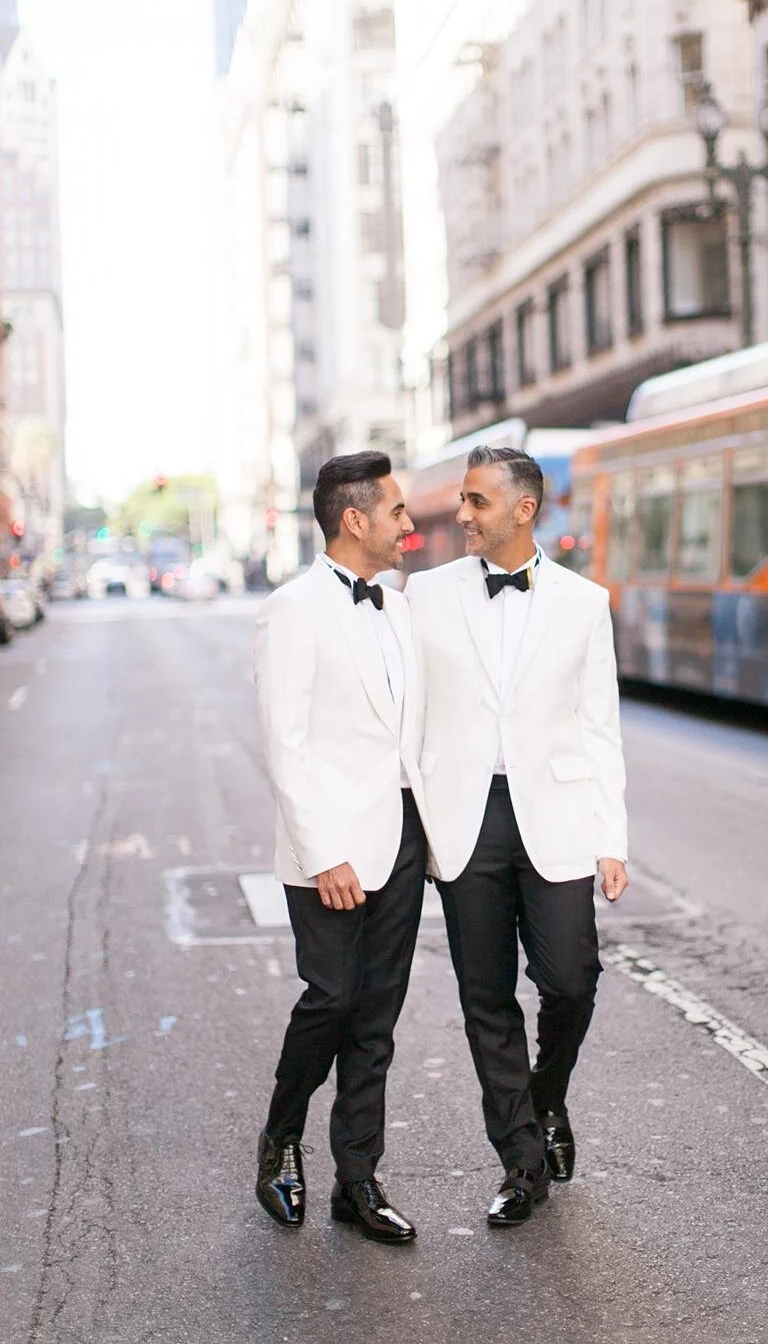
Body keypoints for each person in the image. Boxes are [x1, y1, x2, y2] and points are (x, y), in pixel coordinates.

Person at [405, 444, 628, 1228]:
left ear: (522, 509)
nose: (461, 515)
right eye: (462, 501)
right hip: (466, 820)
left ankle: (545, 1099)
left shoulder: (583, 602)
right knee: (484, 997)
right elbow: (409, 716)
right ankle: (520, 1162)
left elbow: (600, 727)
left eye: (476, 502)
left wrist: (612, 836)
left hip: (557, 816)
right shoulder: (424, 595)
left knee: (571, 979)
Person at [252, 451, 431, 1245]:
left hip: (401, 840)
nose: (409, 524)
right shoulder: (294, 610)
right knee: (331, 996)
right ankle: (280, 1136)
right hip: (330, 847)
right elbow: (284, 743)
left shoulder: (398, 609)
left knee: (377, 1018)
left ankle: (356, 1183)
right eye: (397, 511)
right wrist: (323, 851)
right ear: (355, 520)